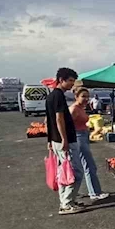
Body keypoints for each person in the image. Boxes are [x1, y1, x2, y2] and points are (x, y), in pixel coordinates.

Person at [46, 68, 86, 214]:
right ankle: (67, 203)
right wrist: (64, 139)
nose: (72, 84)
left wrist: (50, 140)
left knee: (64, 171)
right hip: (65, 140)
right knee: (76, 172)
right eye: (70, 81)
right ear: (61, 80)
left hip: (56, 140)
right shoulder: (58, 96)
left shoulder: (51, 96)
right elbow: (58, 118)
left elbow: (48, 121)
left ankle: (67, 200)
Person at [69, 88, 109, 201]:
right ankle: (94, 192)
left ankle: (93, 191)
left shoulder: (81, 108)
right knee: (88, 165)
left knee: (88, 164)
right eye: (83, 96)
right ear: (76, 97)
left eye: (87, 96)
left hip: (84, 136)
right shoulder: (73, 109)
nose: (86, 99)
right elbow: (67, 126)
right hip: (78, 138)